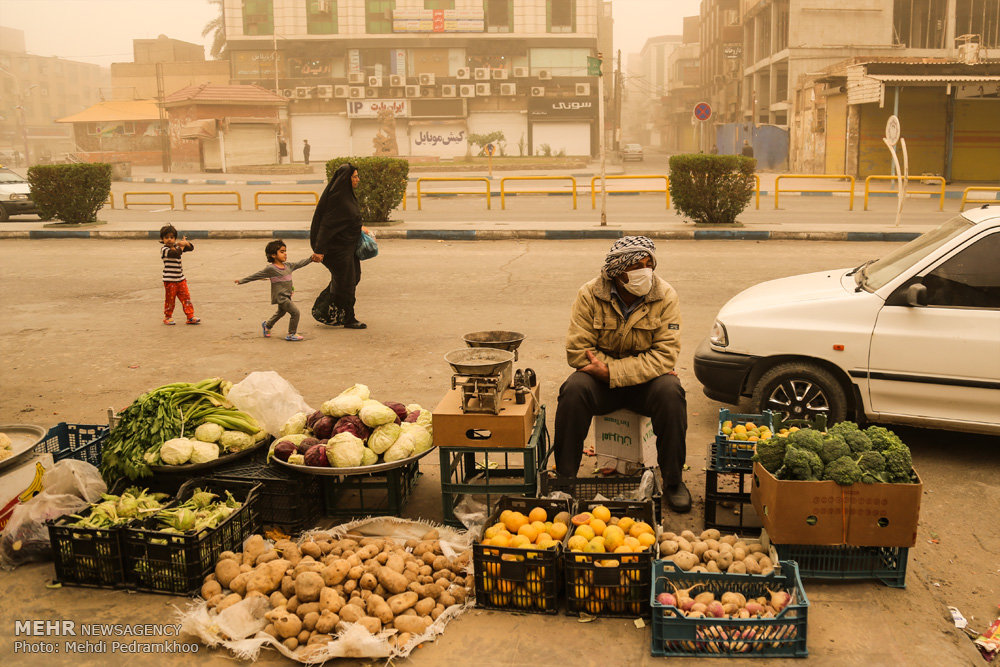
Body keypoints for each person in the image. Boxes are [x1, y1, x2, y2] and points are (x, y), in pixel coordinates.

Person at [553, 236, 691, 513]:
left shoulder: (665, 295)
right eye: (636, 266)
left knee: (671, 392)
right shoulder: (590, 294)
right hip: (600, 384)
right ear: (617, 272)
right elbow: (578, 352)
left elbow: (665, 355)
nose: (645, 272)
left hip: (644, 384)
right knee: (573, 390)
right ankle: (564, 480)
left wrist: (612, 371)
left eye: (648, 264)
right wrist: (605, 374)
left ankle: (674, 481)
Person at [310, 163, 370, 330]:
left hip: (349, 248)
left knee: (353, 277)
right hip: (337, 250)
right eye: (355, 176)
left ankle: (325, 307)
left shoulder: (347, 196)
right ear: (346, 179)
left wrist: (359, 227)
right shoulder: (338, 199)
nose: (358, 179)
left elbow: (348, 219)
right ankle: (348, 318)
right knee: (347, 282)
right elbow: (326, 226)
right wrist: (319, 251)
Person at [235, 239, 317, 341]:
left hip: (287, 295)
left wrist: (311, 259)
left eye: (285, 251)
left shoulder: (288, 266)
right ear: (273, 255)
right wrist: (242, 281)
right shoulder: (271, 269)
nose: (285, 254)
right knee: (295, 313)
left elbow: (300, 263)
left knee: (281, 313)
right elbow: (256, 275)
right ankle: (291, 334)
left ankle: (267, 325)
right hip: (280, 297)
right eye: (282, 252)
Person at [159, 224, 200, 325]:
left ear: (175, 238)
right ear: (162, 239)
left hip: (181, 279)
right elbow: (176, 254)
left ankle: (190, 316)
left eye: (172, 237)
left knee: (186, 298)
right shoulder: (164, 250)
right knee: (170, 300)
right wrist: (181, 246)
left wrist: (186, 243)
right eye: (166, 237)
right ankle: (168, 317)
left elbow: (191, 248)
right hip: (170, 281)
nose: (169, 240)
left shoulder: (177, 247)